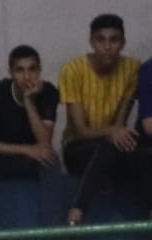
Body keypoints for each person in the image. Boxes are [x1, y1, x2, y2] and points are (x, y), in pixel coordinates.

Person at [0, 45, 66, 240]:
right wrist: (26, 149)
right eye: (20, 70)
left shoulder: (49, 92)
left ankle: (55, 235)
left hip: (32, 159)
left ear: (39, 71)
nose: (26, 76)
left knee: (52, 159)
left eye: (32, 69)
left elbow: (44, 142)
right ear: (11, 73)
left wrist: (29, 102)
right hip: (3, 155)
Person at [60, 14, 145, 229]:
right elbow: (80, 131)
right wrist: (113, 132)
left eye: (114, 40)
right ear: (91, 42)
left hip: (111, 146)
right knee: (108, 144)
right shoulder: (73, 70)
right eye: (101, 40)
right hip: (76, 147)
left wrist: (116, 133)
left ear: (122, 43)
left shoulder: (132, 68)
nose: (107, 47)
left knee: (141, 151)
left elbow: (120, 125)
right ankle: (74, 217)